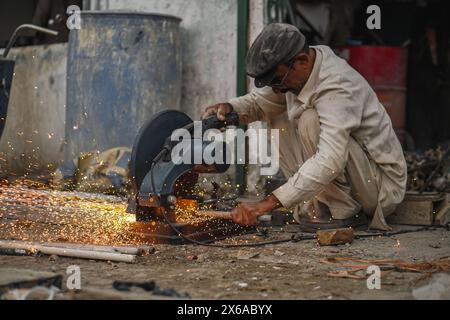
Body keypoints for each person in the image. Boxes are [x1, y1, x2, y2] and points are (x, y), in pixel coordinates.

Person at [201, 23, 407, 231]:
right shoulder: (296, 74)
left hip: (379, 188)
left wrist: (266, 204)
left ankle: (344, 210)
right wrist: (229, 109)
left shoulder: (337, 86)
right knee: (277, 113)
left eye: (278, 81)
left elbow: (330, 159)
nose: (276, 88)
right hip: (355, 176)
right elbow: (259, 103)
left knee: (309, 119)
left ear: (302, 61)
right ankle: (315, 204)